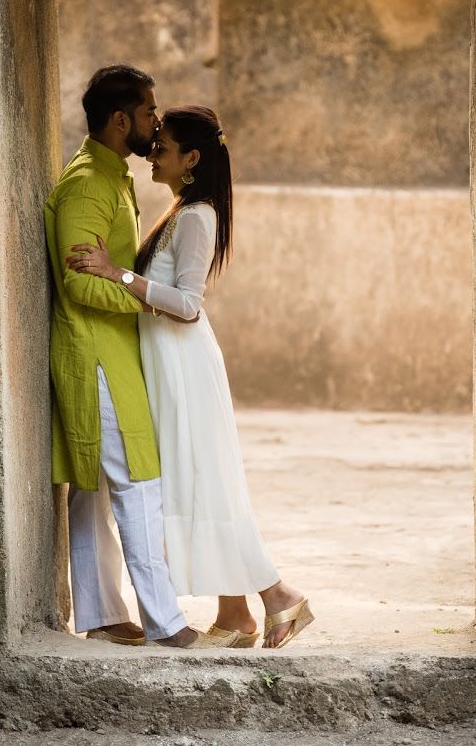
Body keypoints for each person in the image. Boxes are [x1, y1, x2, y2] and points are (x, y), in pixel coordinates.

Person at [66, 105, 314, 650]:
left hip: (185, 367)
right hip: (166, 364)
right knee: (200, 483)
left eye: (164, 147)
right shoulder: (182, 209)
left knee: (207, 484)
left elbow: (187, 306)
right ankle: (236, 615)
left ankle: (278, 595)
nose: (153, 152)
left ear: (192, 158)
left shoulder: (198, 216)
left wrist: (116, 273)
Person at [45, 67, 231, 650]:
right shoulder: (86, 186)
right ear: (120, 119)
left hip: (116, 351)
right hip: (97, 351)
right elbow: (79, 285)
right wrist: (144, 304)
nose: (156, 124)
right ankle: (165, 623)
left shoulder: (114, 179)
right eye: (150, 112)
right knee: (134, 481)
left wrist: (131, 292)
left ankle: (101, 614)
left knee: (98, 488)